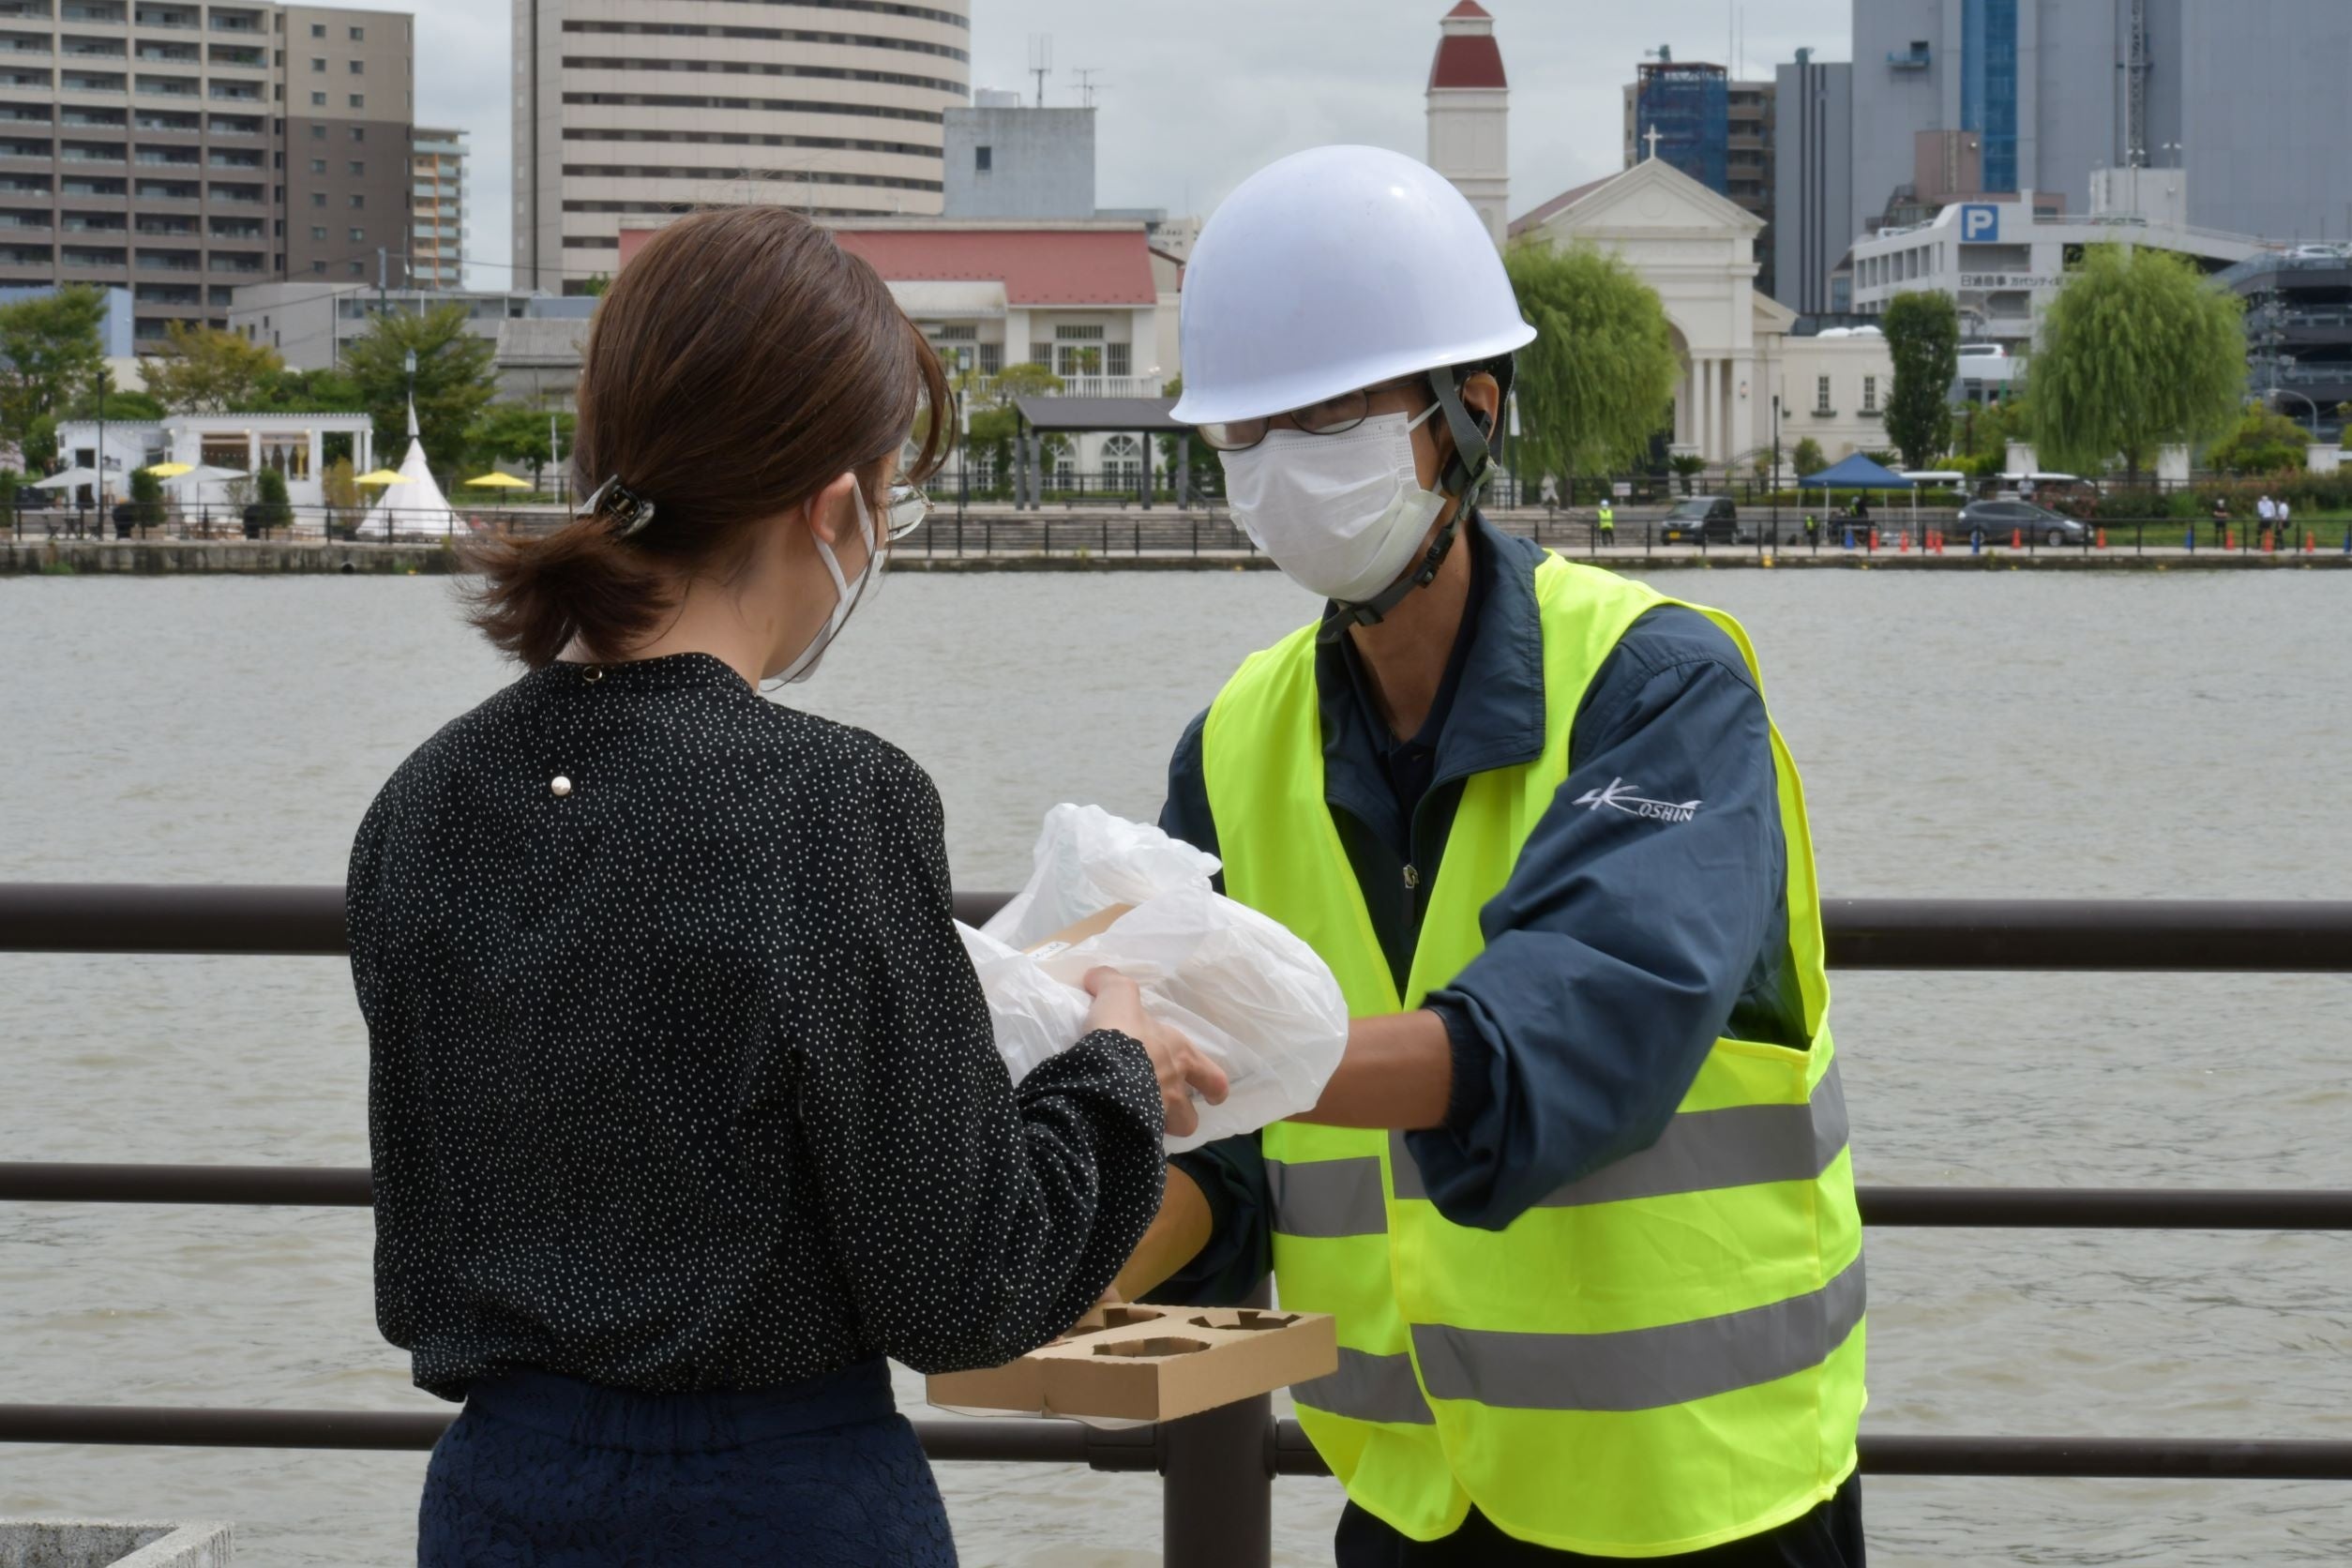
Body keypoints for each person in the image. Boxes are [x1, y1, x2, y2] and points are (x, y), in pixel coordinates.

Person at [345, 206, 1226, 1568]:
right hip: (774, 1497)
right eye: (888, 498)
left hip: (498, 1496)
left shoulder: (423, 802)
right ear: (833, 505)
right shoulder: (827, 803)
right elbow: (963, 1285)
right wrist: (1112, 1071)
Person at [1118, 146, 1865, 1566]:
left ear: (1470, 411)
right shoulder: (1232, 747)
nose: (1282, 467)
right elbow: (1214, 1154)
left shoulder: (1657, 688)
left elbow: (1588, 1017)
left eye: (1328, 414)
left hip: (1699, 1498)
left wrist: (1248, 1055)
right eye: (1245, 433)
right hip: (1413, 1496)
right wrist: (1049, 1229)